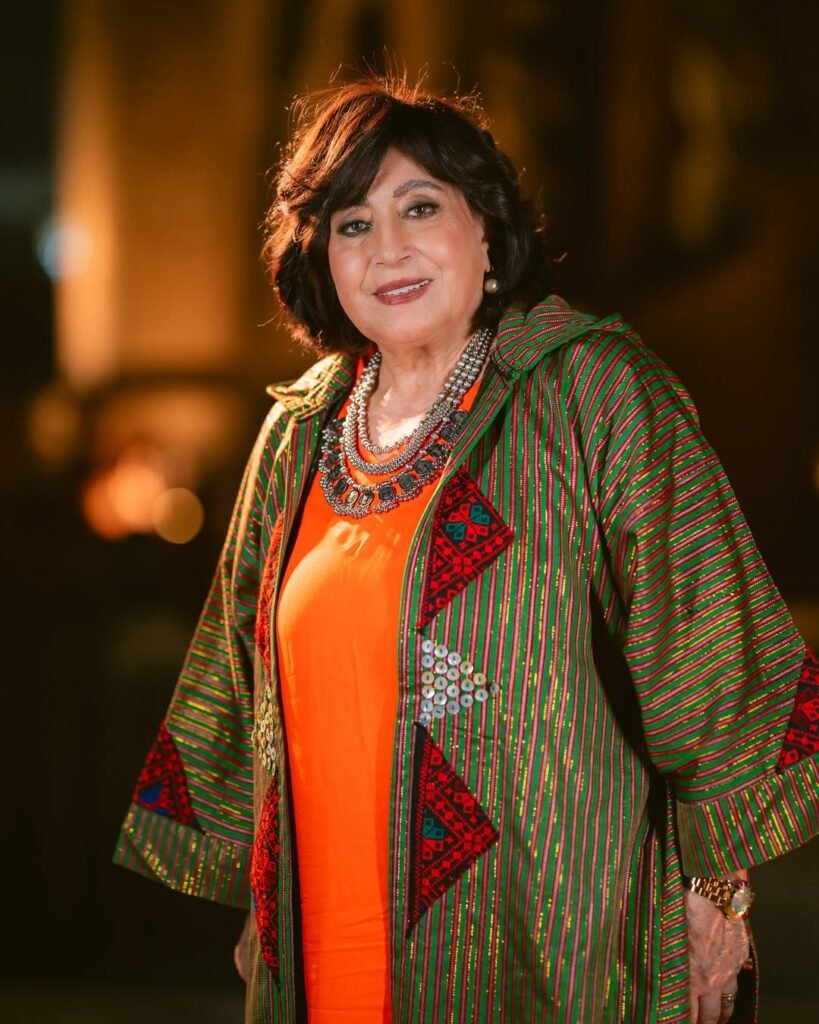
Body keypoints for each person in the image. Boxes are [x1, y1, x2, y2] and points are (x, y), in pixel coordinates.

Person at [114, 76, 819, 1024]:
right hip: (323, 947)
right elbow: (238, 683)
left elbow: (708, 650)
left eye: (419, 207)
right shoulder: (298, 434)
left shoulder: (590, 393)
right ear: (323, 260)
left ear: (484, 229)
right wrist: (258, 895)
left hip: (553, 946)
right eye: (353, 224)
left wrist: (717, 896)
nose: (388, 248)